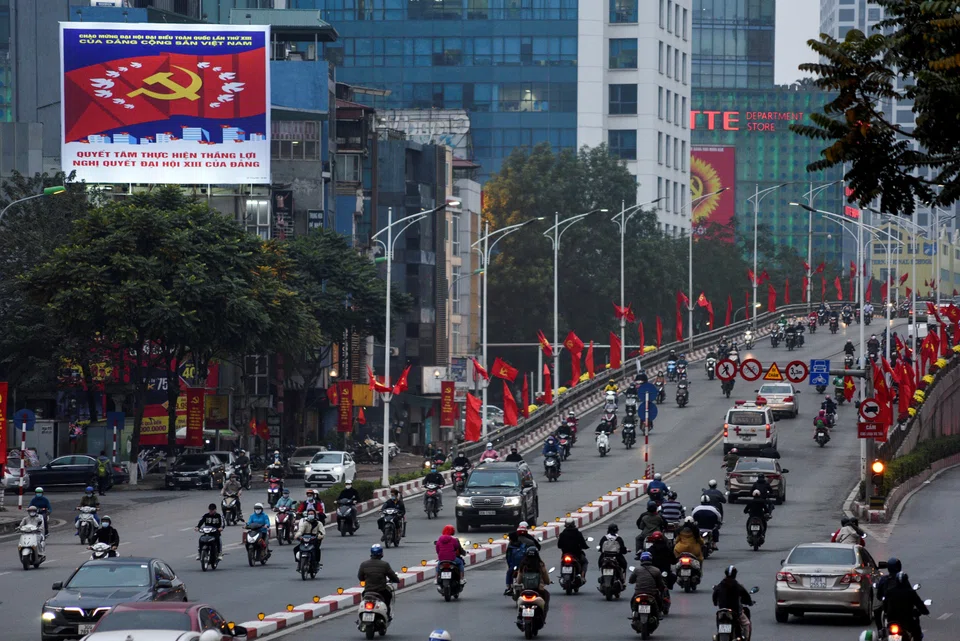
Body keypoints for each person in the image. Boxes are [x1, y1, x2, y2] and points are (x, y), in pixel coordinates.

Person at [879, 572, 929, 641]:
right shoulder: (910, 592)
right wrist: (924, 611)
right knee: (917, 632)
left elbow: (884, 606)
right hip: (907, 621)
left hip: (892, 621)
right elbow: (919, 604)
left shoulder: (889, 591)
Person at [712, 565, 755, 641]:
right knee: (746, 624)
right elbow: (745, 595)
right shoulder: (737, 585)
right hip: (734, 611)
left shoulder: (721, 584)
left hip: (722, 611)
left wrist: (715, 603)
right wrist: (750, 602)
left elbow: (714, 594)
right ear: (735, 574)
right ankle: (746, 638)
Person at [358, 544, 400, 621]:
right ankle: (387, 614)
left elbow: (360, 577)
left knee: (363, 598)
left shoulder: (364, 564)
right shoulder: (384, 565)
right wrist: (396, 580)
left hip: (368, 590)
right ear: (381, 554)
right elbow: (392, 576)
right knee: (388, 596)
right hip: (381, 590)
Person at [515, 547, 552, 620]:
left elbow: (519, 581)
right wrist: (547, 582)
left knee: (519, 600)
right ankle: (543, 617)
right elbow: (546, 579)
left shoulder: (523, 565)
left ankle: (520, 615)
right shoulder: (540, 564)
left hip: (525, 590)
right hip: (539, 590)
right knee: (547, 597)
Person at [504, 531, 527, 595]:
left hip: (514, 565)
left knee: (509, 573)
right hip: (523, 565)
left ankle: (509, 587)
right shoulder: (523, 545)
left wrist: (510, 566)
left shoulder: (510, 547)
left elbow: (508, 558)